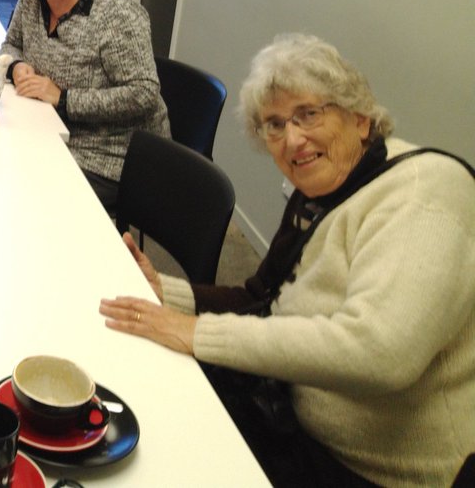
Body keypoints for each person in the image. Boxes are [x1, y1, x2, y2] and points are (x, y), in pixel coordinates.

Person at [100, 34, 475, 487]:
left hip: (367, 471)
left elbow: (379, 352)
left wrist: (196, 333)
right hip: (287, 414)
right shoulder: (321, 190)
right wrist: (167, 292)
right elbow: (262, 298)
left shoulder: (423, 196)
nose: (293, 139)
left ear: (360, 119)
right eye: (274, 125)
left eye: (309, 114)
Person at [0, 0, 168, 209]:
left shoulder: (117, 14)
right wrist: (17, 66)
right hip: (46, 130)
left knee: (21, 193)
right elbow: (11, 44)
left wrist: (64, 99)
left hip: (108, 159)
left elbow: (144, 94)